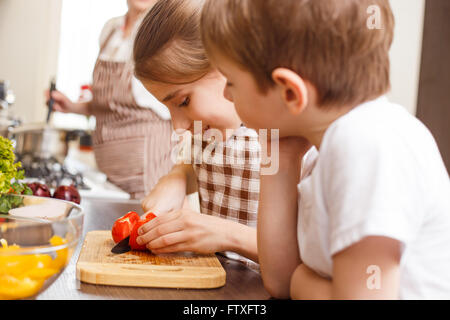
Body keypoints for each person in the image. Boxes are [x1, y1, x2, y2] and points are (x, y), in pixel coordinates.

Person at [200, 0, 450, 299]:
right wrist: (281, 156)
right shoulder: (323, 149)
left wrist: (301, 280)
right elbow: (279, 280)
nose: (227, 94)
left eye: (231, 81)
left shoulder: (367, 144)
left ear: (290, 92)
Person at [132, 0, 261, 269]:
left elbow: (307, 260)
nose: (178, 126)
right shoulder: (207, 133)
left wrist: (227, 235)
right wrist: (178, 177)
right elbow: (201, 163)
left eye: (183, 102)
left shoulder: (287, 138)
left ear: (229, 64)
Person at [46, 0, 173, 199]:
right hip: (110, 169)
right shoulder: (111, 29)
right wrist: (72, 106)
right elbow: (109, 104)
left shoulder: (162, 33)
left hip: (147, 166)